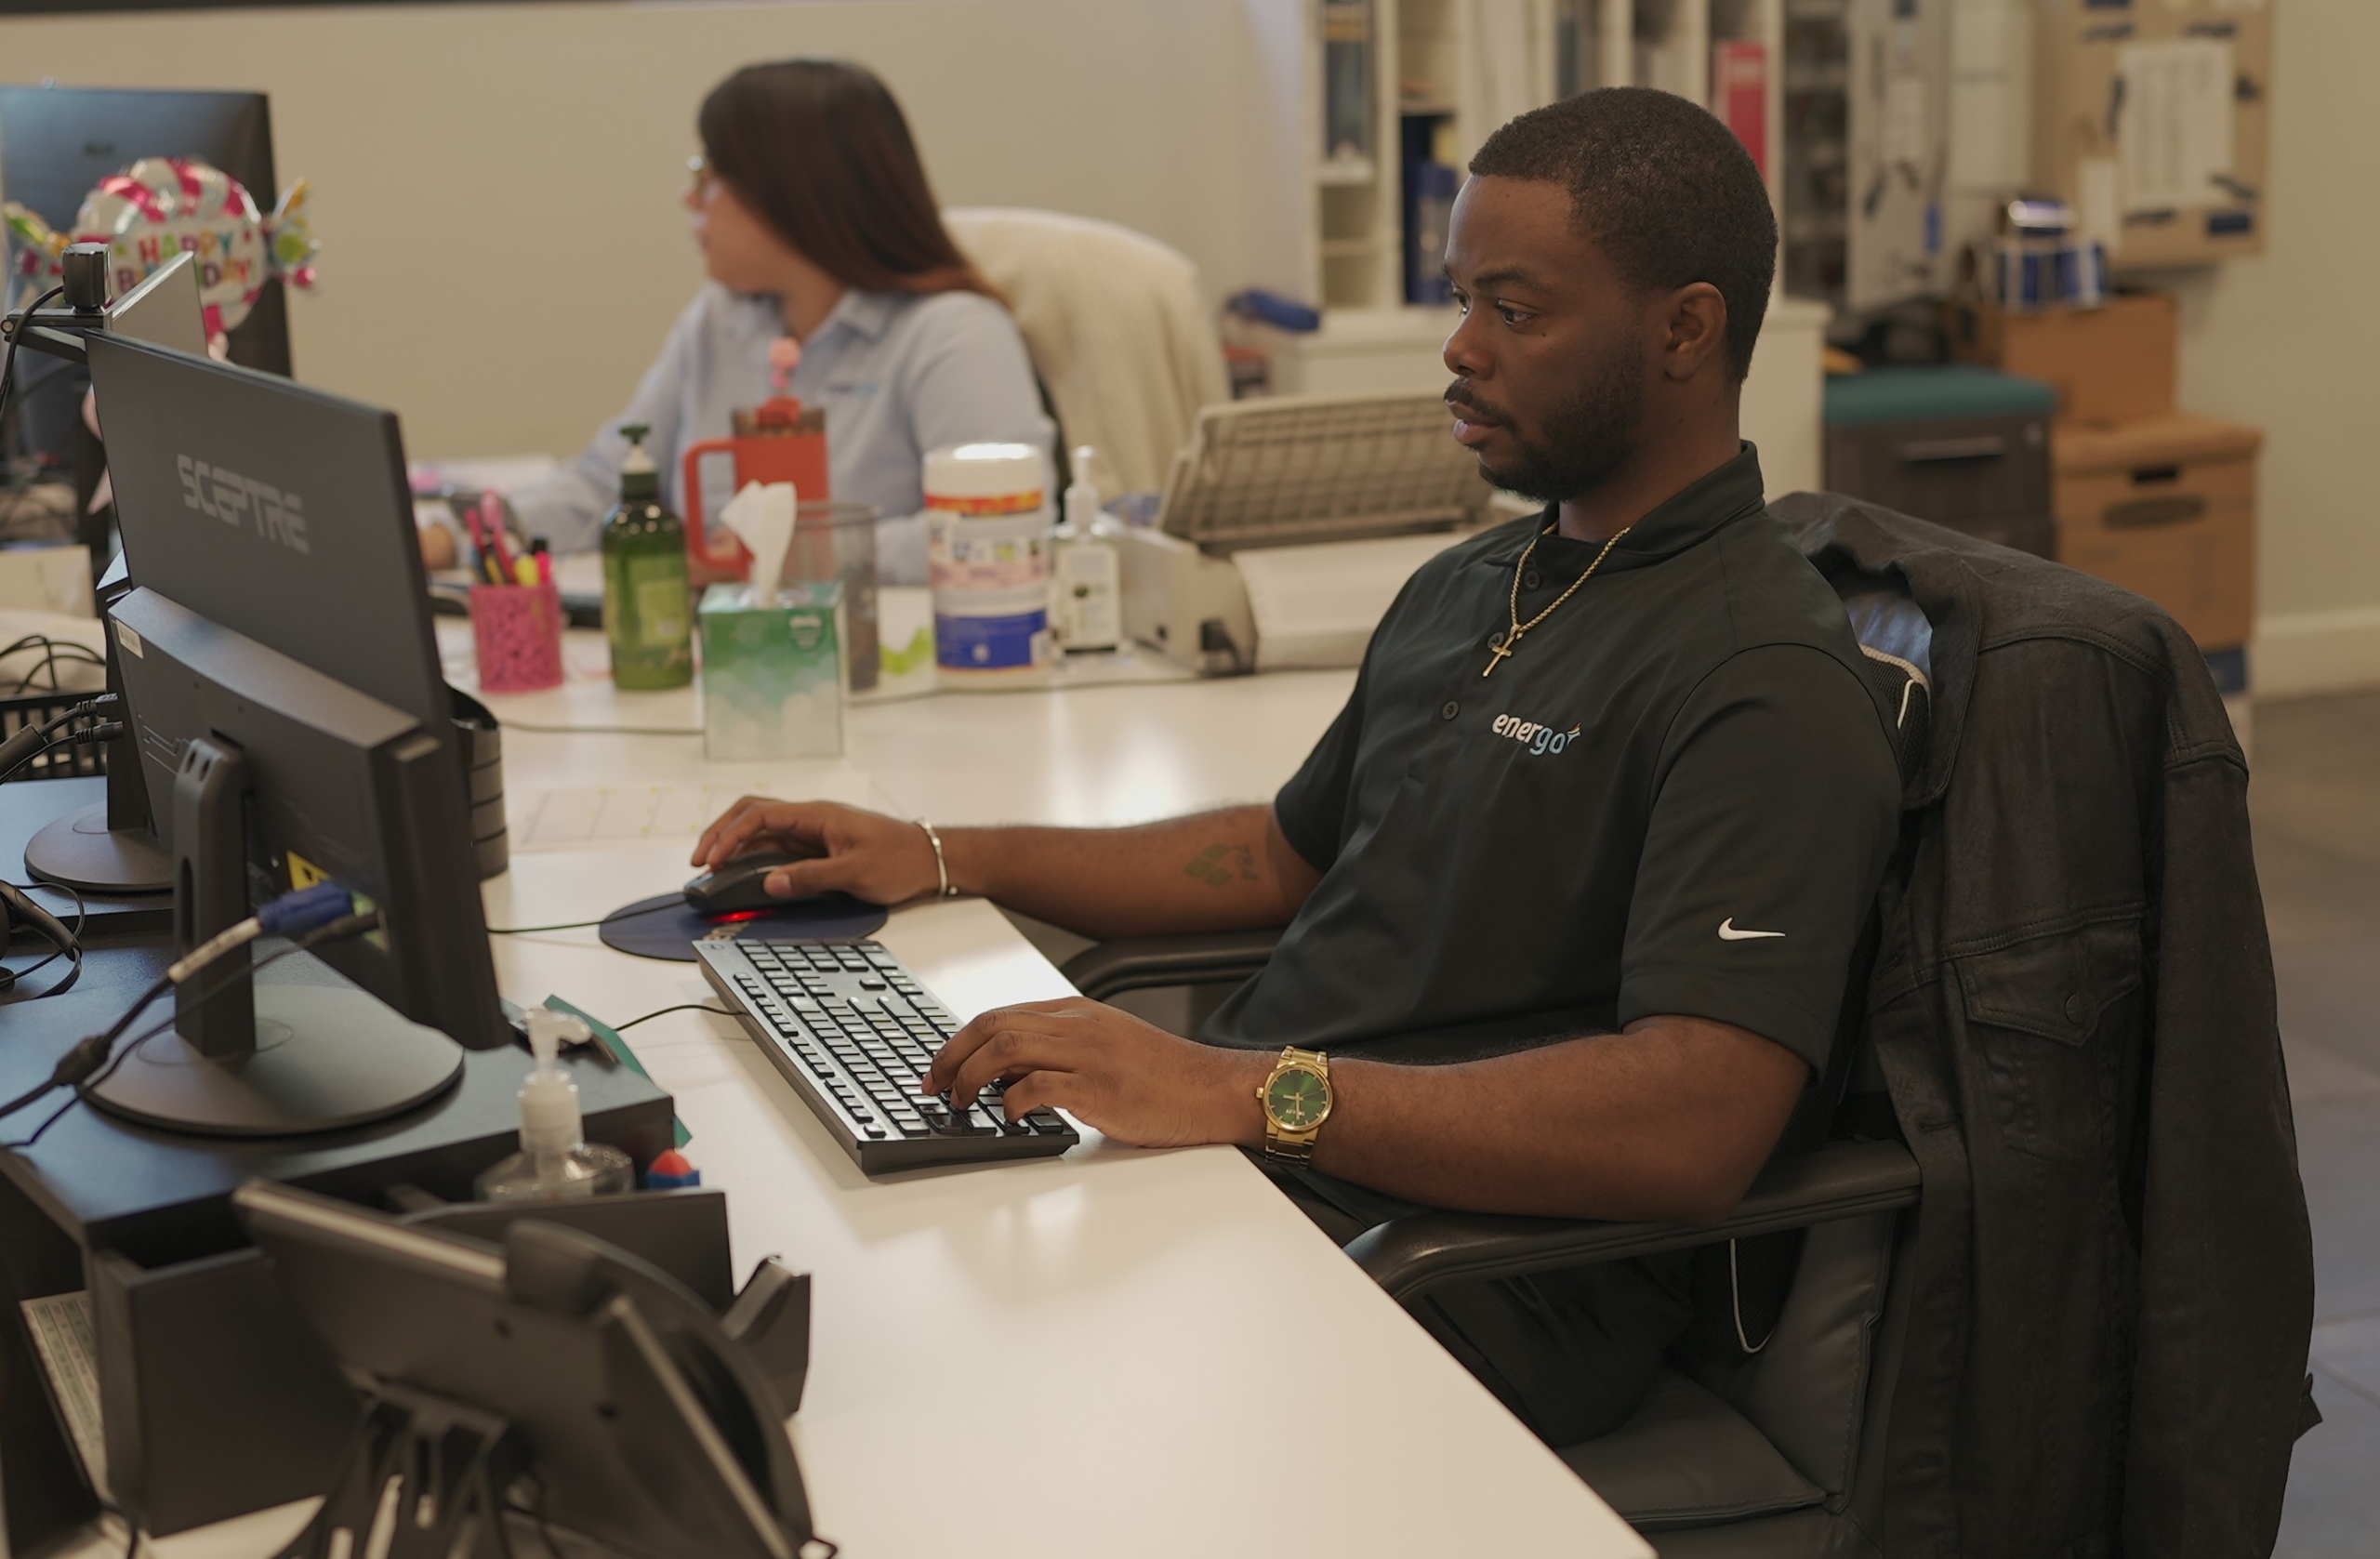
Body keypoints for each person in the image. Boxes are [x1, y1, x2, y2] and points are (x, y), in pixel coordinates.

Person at [688, 87, 1902, 1446]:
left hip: (1462, 1275)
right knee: (834, 1305)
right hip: (1276, 1172)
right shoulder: (1477, 581)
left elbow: (1696, 1123)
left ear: (1686, 328)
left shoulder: (1760, 675)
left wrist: (1248, 1092)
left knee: (921, 1403)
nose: (1460, 350)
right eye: (1461, 301)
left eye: (1516, 310)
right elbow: (1277, 856)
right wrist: (943, 851)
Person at [422, 59, 1051, 585]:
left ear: (792, 190)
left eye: (709, 174)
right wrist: (449, 538)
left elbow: (1007, 527)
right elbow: (605, 485)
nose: (690, 199)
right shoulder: (719, 321)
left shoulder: (952, 335)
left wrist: (788, 554)